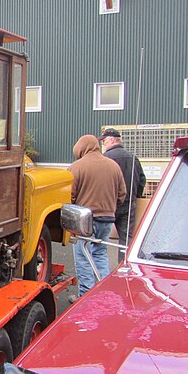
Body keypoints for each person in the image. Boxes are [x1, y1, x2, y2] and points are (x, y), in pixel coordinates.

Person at [67, 134, 126, 297]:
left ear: (81, 148)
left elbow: (69, 196)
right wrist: (110, 207)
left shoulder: (77, 167)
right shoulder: (113, 166)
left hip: (84, 221)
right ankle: (104, 292)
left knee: (82, 256)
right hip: (107, 219)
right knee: (100, 253)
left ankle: (85, 296)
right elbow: (122, 194)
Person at [100, 127, 146, 261]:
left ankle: (102, 270)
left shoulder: (105, 159)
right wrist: (136, 196)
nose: (103, 144)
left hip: (108, 205)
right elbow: (142, 180)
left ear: (111, 140)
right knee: (126, 240)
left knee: (101, 240)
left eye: (104, 141)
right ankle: (125, 266)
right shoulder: (133, 158)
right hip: (128, 204)